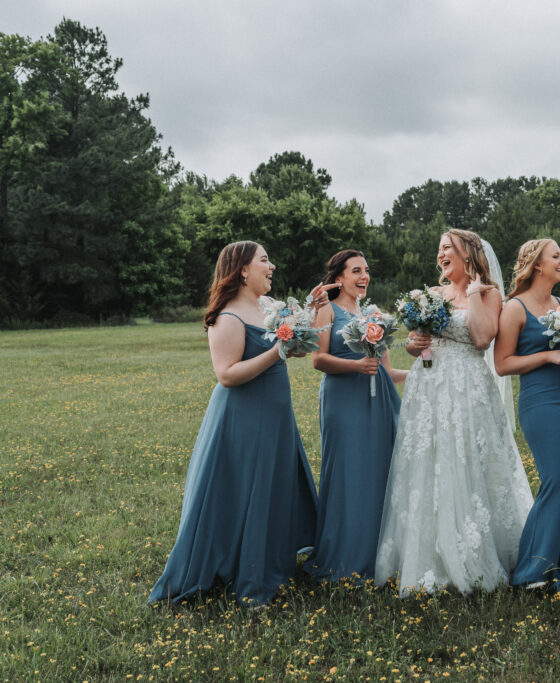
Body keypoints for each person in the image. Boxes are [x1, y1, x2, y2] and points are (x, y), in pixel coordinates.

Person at [150, 241, 336, 606]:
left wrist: (310, 315)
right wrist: (277, 351)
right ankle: (238, 568)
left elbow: (292, 346)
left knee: (272, 485)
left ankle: (269, 561)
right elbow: (227, 375)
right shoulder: (227, 317)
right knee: (245, 487)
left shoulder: (268, 307)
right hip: (244, 416)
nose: (273, 267)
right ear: (242, 270)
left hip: (275, 413)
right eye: (265, 260)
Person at [375, 229, 533, 595]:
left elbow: (481, 338)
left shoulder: (490, 294)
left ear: (468, 254)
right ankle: (429, 552)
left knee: (468, 461)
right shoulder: (431, 295)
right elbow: (418, 347)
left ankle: (476, 551)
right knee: (429, 461)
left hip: (468, 386)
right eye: (440, 249)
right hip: (428, 387)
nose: (441, 254)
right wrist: (415, 344)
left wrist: (475, 293)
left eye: (448, 248)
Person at [494, 239, 560, 591]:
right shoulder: (515, 308)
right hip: (541, 402)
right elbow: (503, 364)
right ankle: (532, 569)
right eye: (557, 256)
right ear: (537, 264)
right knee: (556, 481)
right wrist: (547, 357)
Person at [303, 250, 406, 583]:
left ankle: (379, 552)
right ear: (340, 278)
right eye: (356, 271)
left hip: (379, 403)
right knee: (348, 473)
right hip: (342, 401)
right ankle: (344, 555)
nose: (364, 277)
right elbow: (318, 359)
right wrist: (357, 366)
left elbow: (387, 371)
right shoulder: (326, 310)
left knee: (379, 472)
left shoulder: (374, 315)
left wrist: (424, 373)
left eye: (366, 271)